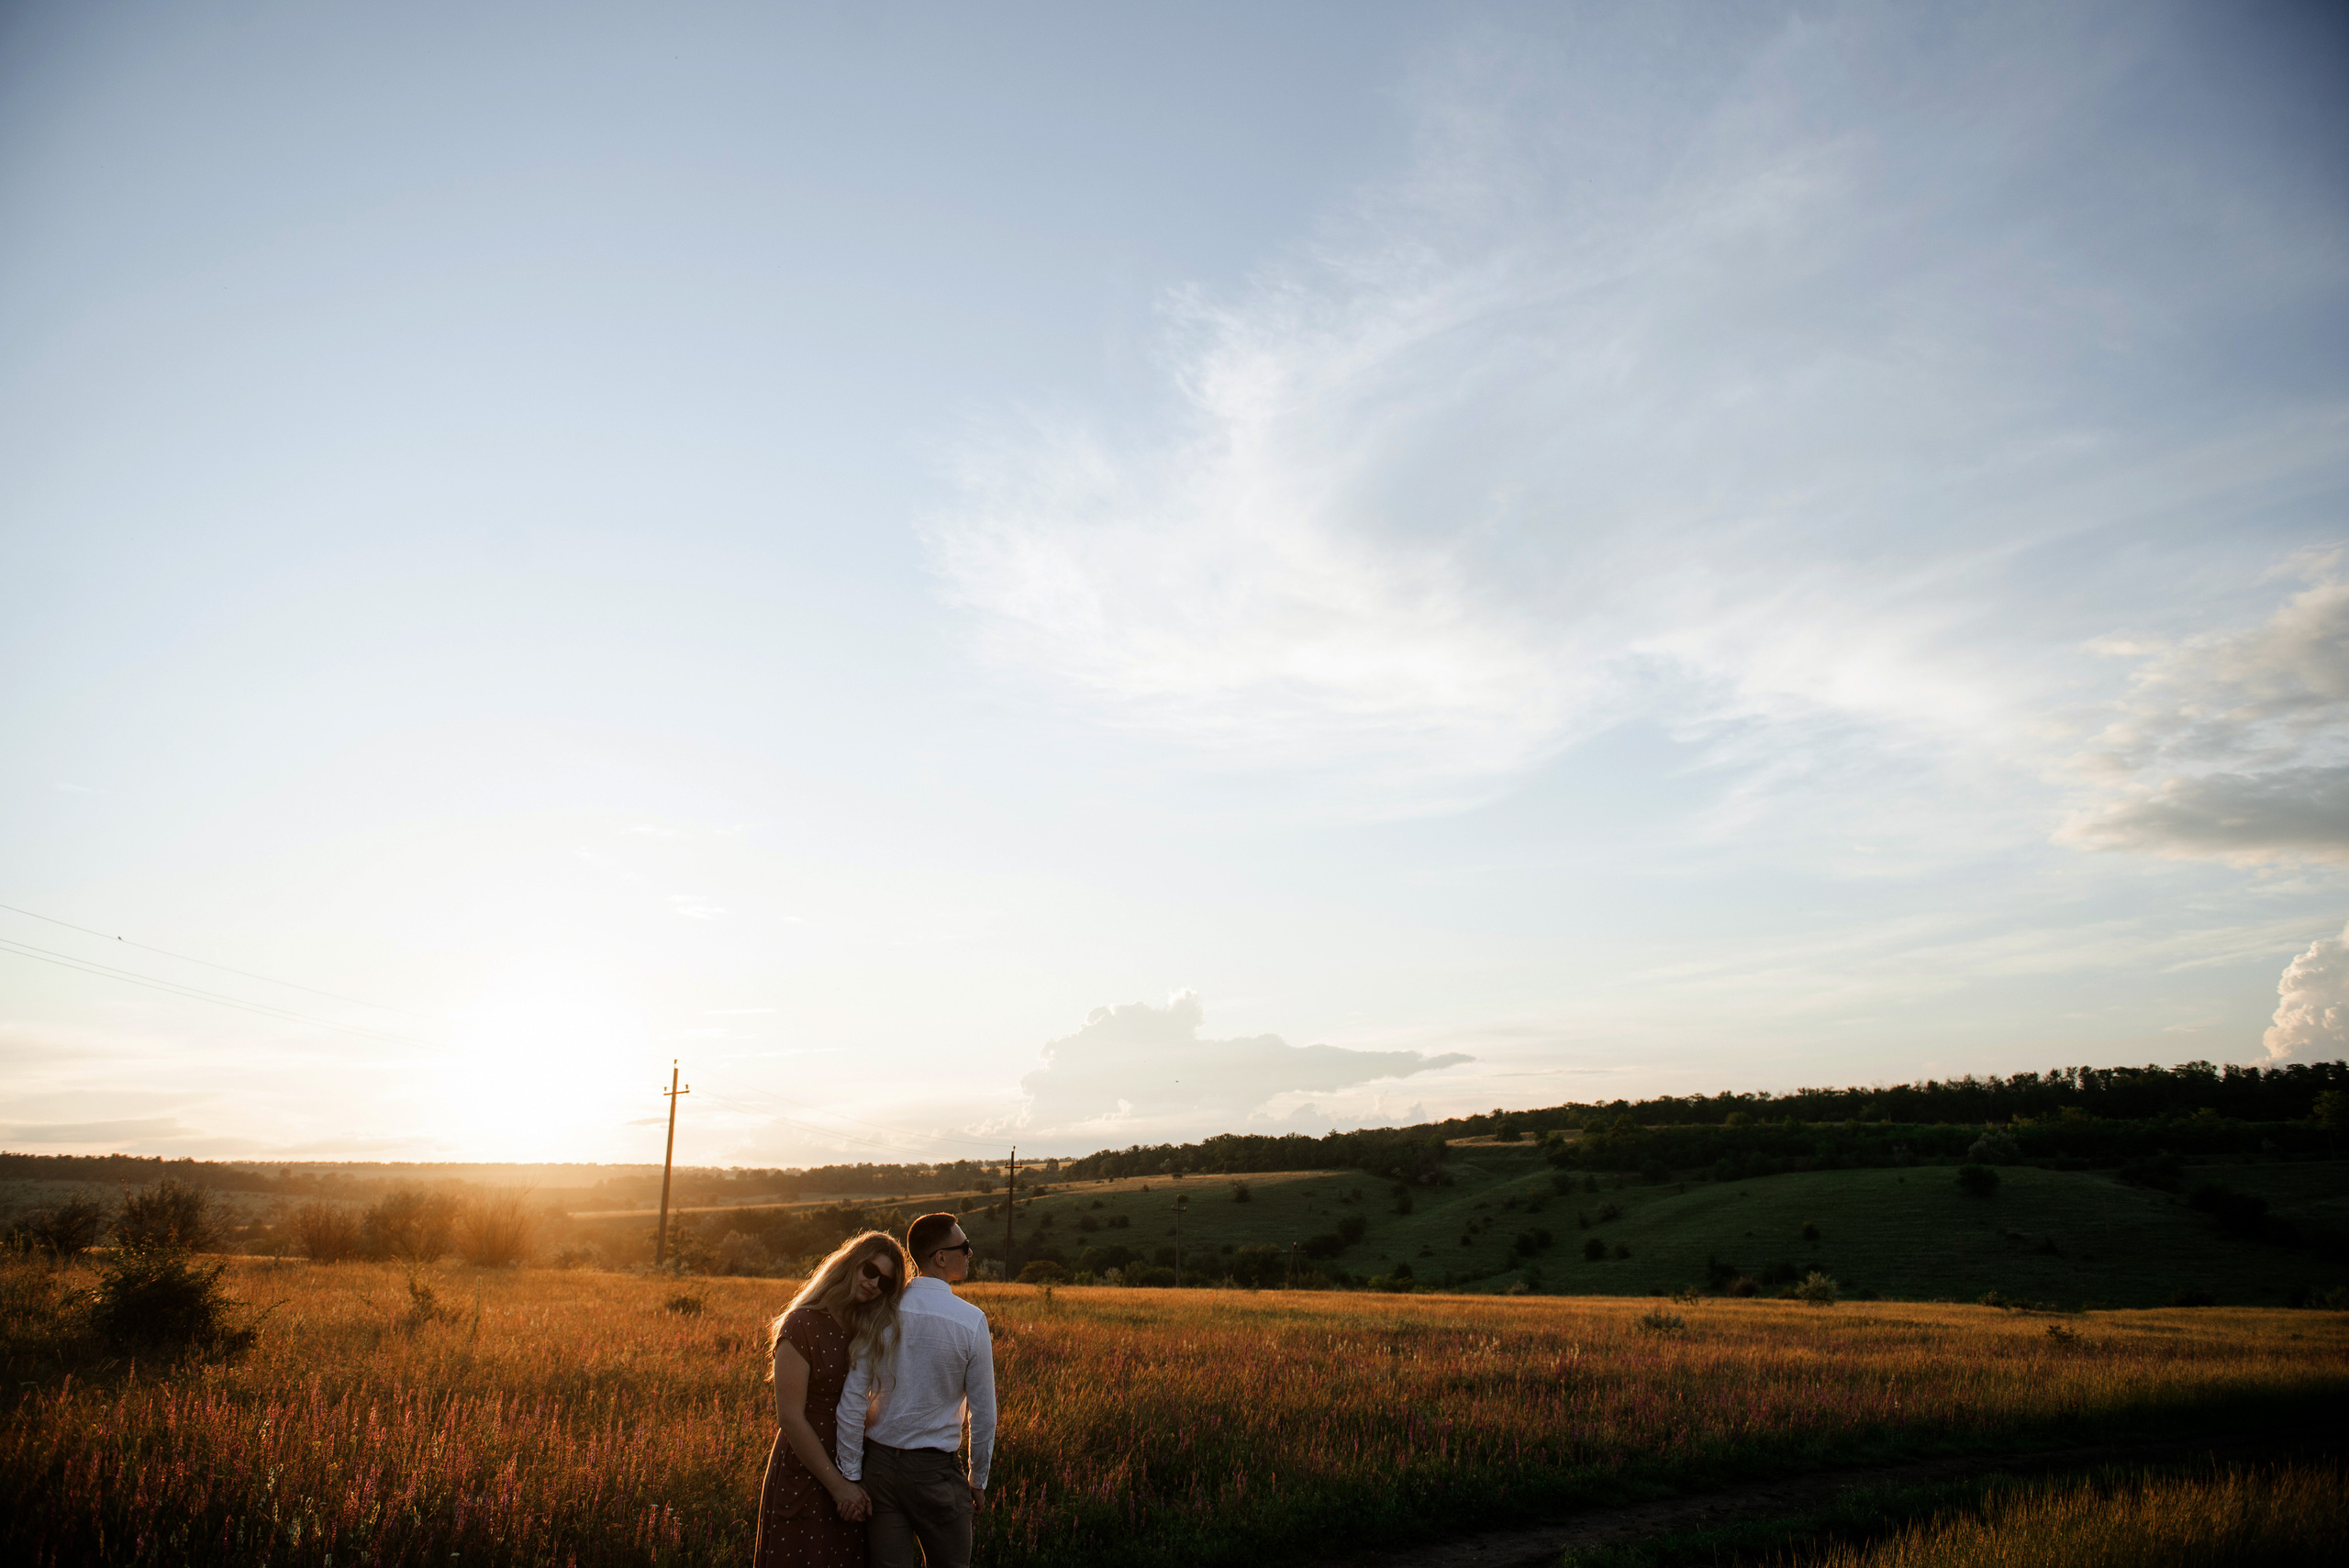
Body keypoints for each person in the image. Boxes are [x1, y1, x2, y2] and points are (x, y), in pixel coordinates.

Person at [836, 1213, 996, 1568]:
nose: (969, 1254)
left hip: (877, 1470)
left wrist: (852, 1475)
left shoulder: (882, 1310)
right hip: (934, 1473)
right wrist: (977, 1480)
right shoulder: (971, 1320)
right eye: (964, 1247)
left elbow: (852, 1402)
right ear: (940, 1257)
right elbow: (983, 1414)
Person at [754, 1229, 909, 1568]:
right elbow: (791, 1418)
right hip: (805, 1463)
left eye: (884, 1283)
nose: (873, 1284)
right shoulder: (801, 1323)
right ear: (850, 1262)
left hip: (853, 1460)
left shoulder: (867, 1328)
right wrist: (839, 1487)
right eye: (870, 1271)